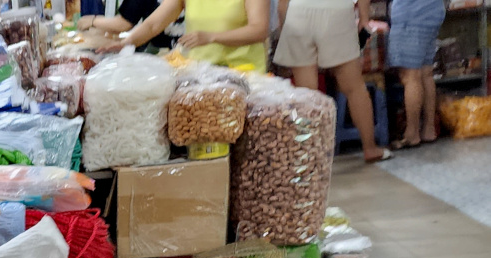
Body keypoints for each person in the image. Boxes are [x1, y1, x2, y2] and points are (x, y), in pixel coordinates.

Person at [275, 0, 389, 160]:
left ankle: (310, 155)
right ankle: (370, 148)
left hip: (298, 12)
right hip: (336, 11)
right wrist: (364, 18)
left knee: (306, 94)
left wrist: (284, 27)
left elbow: (282, 4)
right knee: (354, 88)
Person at [117, 0, 270, 69]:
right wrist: (126, 43)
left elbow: (259, 30)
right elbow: (154, 25)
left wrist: (212, 37)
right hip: (199, 71)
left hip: (243, 72)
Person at [386, 0, 445, 147]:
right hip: (433, 10)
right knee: (426, 72)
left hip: (411, 14)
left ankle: (412, 133)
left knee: (410, 76)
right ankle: (429, 130)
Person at [79, 0, 175, 49]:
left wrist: (92, 21)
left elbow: (123, 24)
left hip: (165, 51)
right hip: (168, 49)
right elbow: (152, 26)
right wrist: (123, 43)